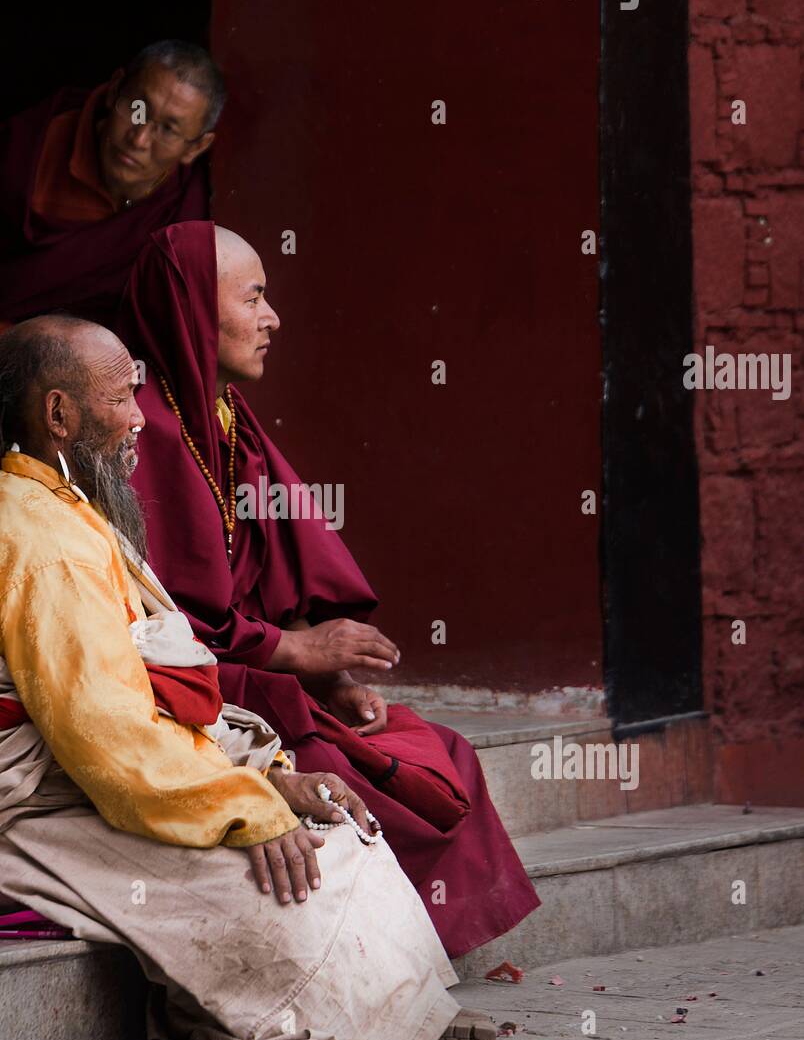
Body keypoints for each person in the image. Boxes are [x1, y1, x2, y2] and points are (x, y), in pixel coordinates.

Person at [0, 316, 498, 1040]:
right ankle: (311, 1026)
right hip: (11, 819)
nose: (140, 417)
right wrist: (245, 809)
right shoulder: (35, 537)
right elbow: (108, 736)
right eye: (121, 398)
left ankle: (394, 1013)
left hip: (74, 785)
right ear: (60, 415)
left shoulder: (66, 512)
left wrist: (271, 778)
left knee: (338, 835)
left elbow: (149, 694)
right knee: (281, 879)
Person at [115, 221, 542, 959]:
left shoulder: (222, 416)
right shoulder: (143, 428)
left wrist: (331, 675)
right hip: (190, 688)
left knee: (440, 753)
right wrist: (293, 651)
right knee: (363, 780)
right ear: (192, 306)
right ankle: (379, 958)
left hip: (257, 675)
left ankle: (413, 953)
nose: (272, 318)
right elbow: (159, 617)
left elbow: (276, 570)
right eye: (254, 298)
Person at [0, 40, 223, 588]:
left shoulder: (180, 217)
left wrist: (31, 346)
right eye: (136, 111)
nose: (139, 138)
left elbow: (153, 323)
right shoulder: (29, 152)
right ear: (113, 92)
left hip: (69, 370)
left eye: (166, 128)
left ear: (196, 146)